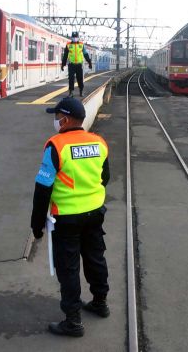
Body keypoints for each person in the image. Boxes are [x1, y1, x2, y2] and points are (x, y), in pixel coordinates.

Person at [31, 97, 110, 337]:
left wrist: (36, 225)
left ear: (65, 119)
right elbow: (105, 177)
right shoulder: (99, 142)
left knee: (69, 268)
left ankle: (73, 321)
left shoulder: (56, 145)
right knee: (95, 258)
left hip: (66, 218)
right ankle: (100, 302)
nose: (55, 121)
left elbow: (43, 187)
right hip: (95, 213)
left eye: (56, 117)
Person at [62, 32, 93, 97]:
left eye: (76, 37)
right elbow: (65, 55)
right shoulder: (68, 45)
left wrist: (89, 62)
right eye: (73, 37)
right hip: (71, 65)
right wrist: (63, 64)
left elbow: (85, 54)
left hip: (79, 65)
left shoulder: (81, 45)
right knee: (71, 78)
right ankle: (71, 92)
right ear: (71, 37)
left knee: (80, 78)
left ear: (78, 37)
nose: (74, 38)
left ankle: (81, 91)